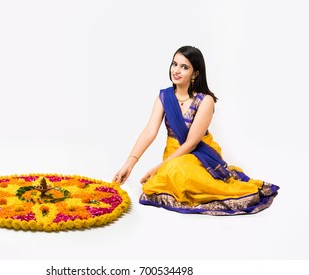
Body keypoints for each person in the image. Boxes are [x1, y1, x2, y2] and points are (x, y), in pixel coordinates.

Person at [113, 45, 279, 215]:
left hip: (199, 155)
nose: (176, 70)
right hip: (173, 156)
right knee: (172, 173)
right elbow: (149, 131)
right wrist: (129, 165)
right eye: (174, 64)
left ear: (195, 73)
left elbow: (192, 143)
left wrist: (158, 168)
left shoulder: (205, 100)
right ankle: (172, 173)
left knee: (180, 172)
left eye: (184, 67)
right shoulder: (164, 97)